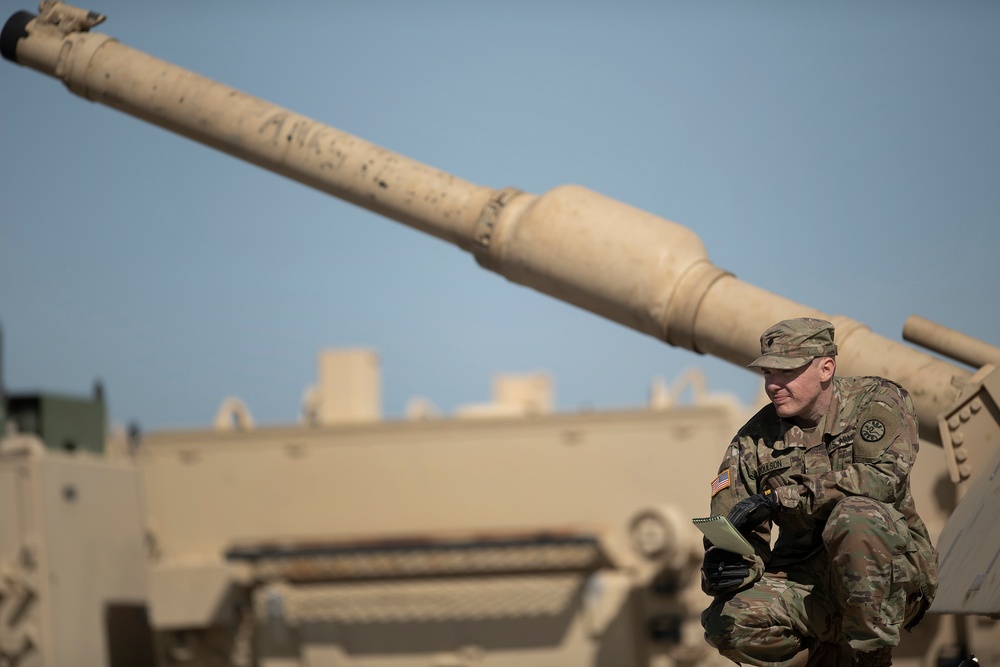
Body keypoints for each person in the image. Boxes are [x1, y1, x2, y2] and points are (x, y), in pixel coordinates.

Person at [700, 317, 938, 667]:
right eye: (768, 374)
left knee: (853, 516)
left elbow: (882, 479)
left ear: (826, 368)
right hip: (809, 585)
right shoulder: (752, 440)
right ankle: (826, 658)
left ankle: (873, 657)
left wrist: (783, 498)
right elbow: (730, 522)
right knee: (726, 622)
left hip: (891, 579)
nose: (773, 385)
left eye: (786, 372)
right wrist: (731, 564)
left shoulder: (878, 402)